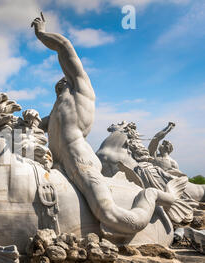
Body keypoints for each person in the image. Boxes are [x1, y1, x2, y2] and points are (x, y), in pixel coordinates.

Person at [31, 13, 191, 236]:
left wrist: (41, 34)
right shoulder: (56, 110)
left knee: (110, 215)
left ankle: (155, 195)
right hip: (56, 165)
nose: (59, 83)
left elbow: (65, 47)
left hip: (80, 162)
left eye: (63, 80)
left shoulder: (81, 91)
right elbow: (34, 128)